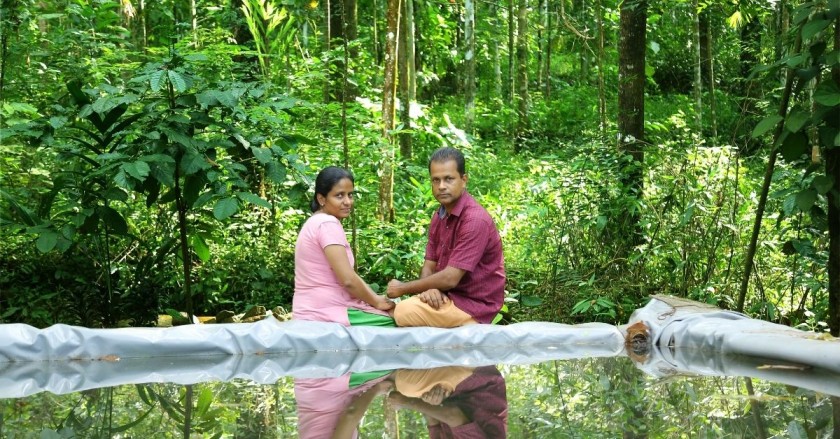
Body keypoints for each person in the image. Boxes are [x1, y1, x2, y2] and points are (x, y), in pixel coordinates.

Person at [387, 147, 506, 327]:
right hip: (447, 297)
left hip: (473, 306)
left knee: (402, 310)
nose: (441, 186)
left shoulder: (475, 220)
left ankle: (469, 324)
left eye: (448, 179)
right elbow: (429, 264)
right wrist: (430, 289)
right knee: (390, 308)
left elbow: (450, 278)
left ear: (463, 180)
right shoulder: (440, 216)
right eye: (436, 180)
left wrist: (402, 288)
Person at [293, 166, 395, 326]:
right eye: (339, 196)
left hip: (312, 307)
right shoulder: (327, 223)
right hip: (326, 310)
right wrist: (376, 301)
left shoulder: (315, 221)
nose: (347, 202)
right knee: (400, 320)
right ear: (321, 199)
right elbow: (348, 280)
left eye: (350, 195)